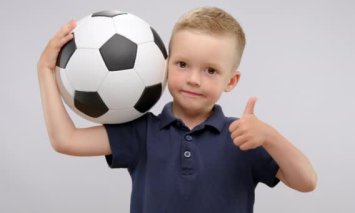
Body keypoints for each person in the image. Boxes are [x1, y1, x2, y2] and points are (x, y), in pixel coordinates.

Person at [37, 6, 317, 213]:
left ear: (230, 81)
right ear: (165, 64)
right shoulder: (142, 132)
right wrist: (45, 71)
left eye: (210, 70)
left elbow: (306, 181)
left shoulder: (242, 136)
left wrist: (269, 136)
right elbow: (66, 140)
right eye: (182, 64)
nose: (194, 79)